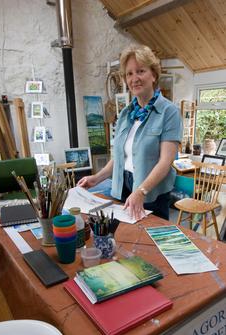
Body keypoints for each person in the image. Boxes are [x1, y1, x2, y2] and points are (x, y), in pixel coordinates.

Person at [78, 44, 182, 221]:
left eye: (140, 71)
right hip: (121, 188)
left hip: (151, 194)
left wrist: (141, 191)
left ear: (154, 75)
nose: (135, 78)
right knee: (123, 238)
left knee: (149, 242)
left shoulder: (169, 112)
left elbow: (165, 162)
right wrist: (96, 178)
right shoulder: (126, 114)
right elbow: (118, 158)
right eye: (129, 73)